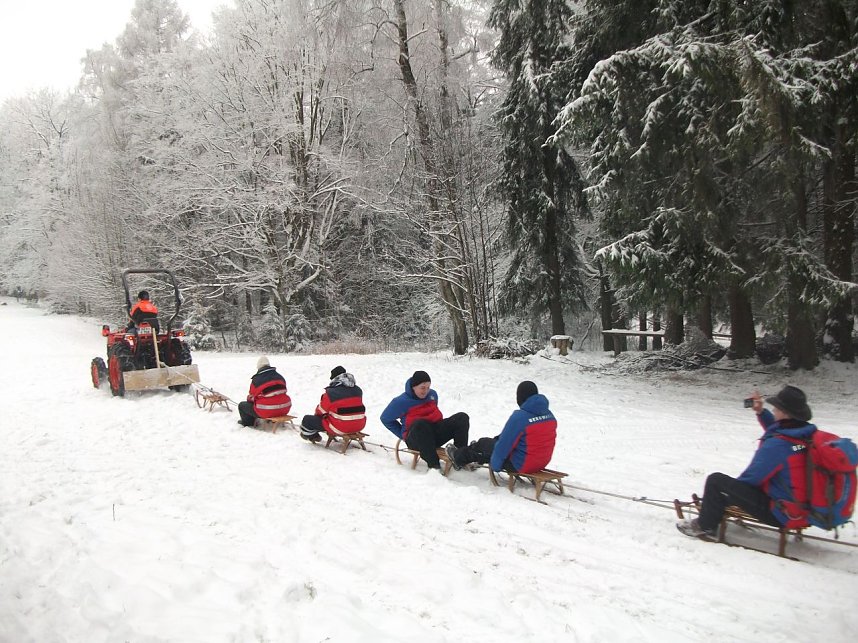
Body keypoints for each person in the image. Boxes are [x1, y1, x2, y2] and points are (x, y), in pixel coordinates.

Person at [676, 385, 817, 539]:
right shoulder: (805, 435)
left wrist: (731, 493)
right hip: (802, 508)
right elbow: (780, 432)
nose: (774, 410)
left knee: (716, 481)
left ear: (785, 413)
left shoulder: (777, 446)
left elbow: (751, 480)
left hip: (781, 513)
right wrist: (761, 412)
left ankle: (705, 526)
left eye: (776, 408)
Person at [445, 381, 557, 474]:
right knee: (498, 439)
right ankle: (477, 451)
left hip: (521, 465)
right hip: (541, 462)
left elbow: (503, 447)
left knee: (484, 443)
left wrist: (495, 465)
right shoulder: (550, 416)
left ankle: (458, 457)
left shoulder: (519, 417)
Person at [380, 370, 469, 470]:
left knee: (462, 417)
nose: (425, 391)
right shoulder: (401, 402)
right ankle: (434, 465)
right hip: (416, 439)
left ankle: (459, 457)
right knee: (421, 424)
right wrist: (403, 435)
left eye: (428, 387)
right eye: (422, 387)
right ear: (413, 387)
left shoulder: (432, 395)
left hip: (433, 434)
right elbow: (385, 419)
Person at [300, 366, 366, 443]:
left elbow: (320, 411)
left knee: (307, 420)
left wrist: (318, 418)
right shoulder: (358, 390)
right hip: (360, 425)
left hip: (340, 427)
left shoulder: (331, 393)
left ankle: (313, 436)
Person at [237, 356, 293, 427]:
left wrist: (249, 400)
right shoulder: (280, 377)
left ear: (258, 367)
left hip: (266, 411)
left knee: (242, 405)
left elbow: (252, 396)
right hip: (284, 409)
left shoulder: (256, 380)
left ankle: (248, 423)